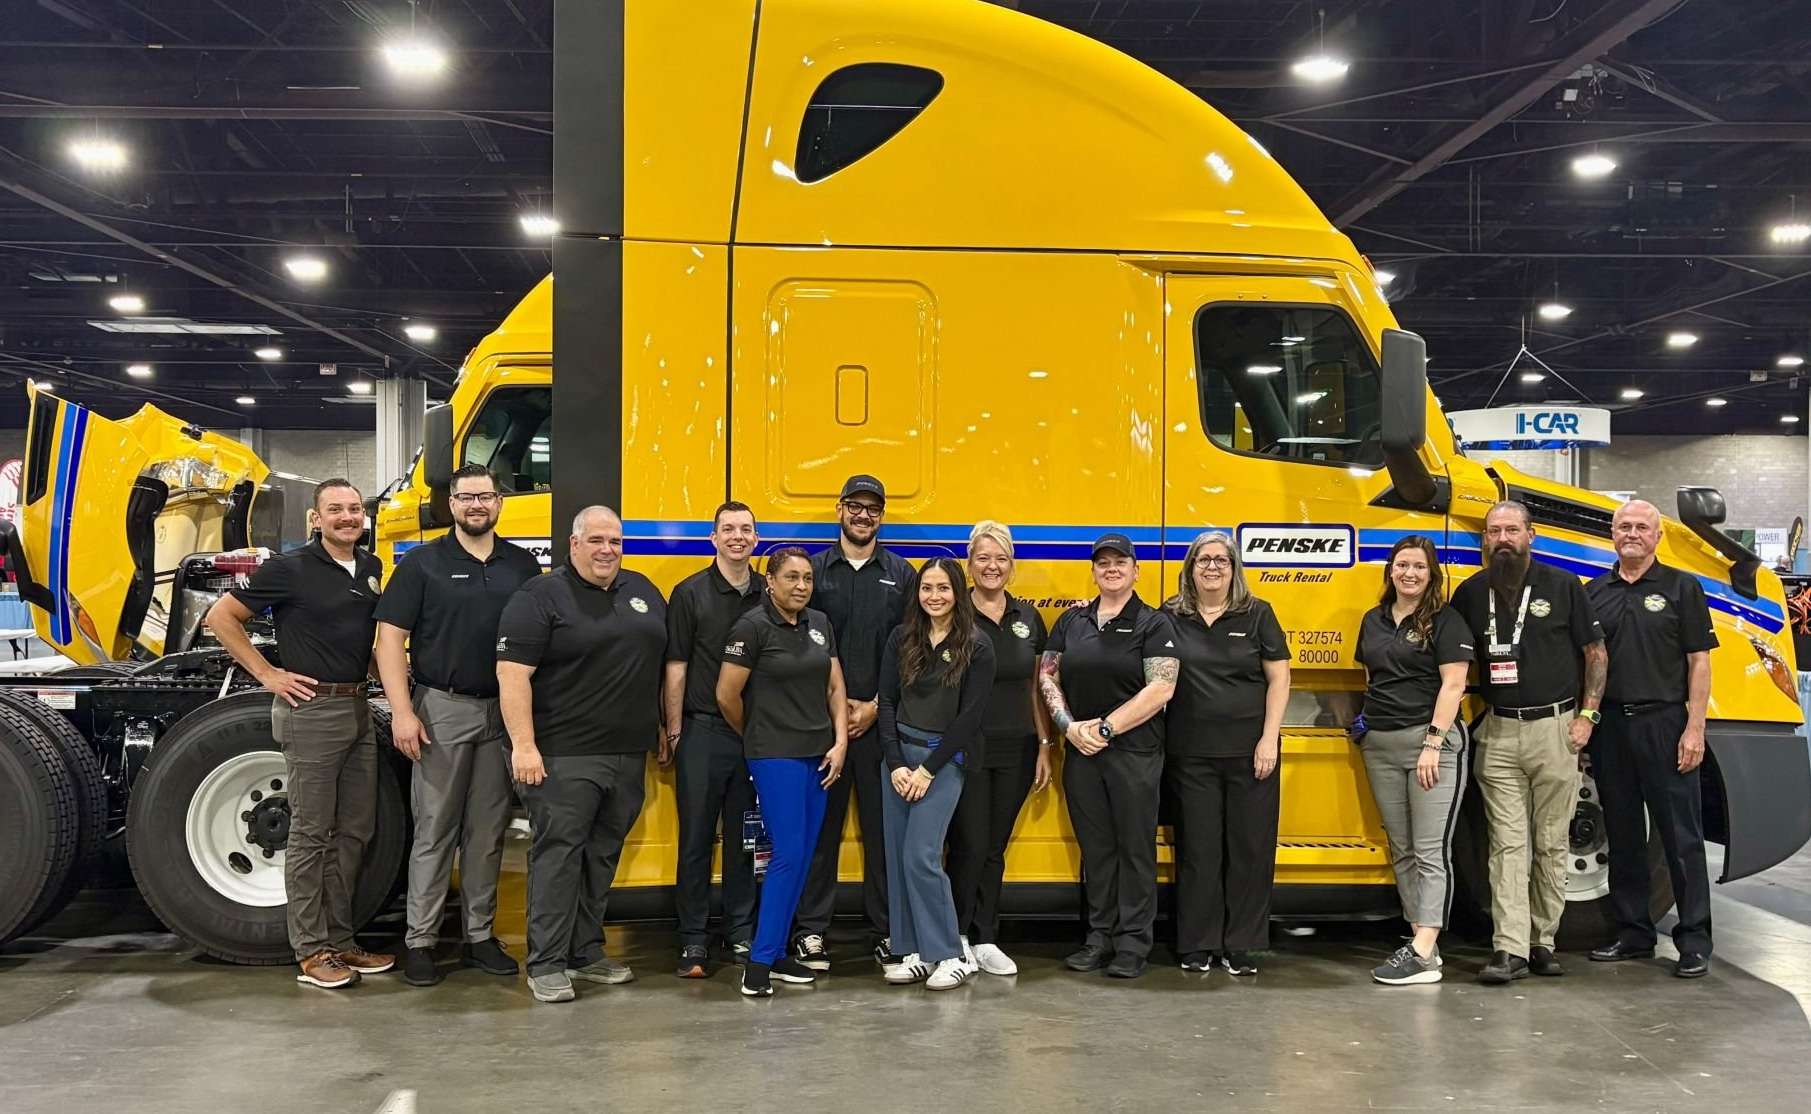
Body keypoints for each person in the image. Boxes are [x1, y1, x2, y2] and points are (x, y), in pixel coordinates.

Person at [206, 478, 393, 989]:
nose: (347, 517)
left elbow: (369, 641)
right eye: (336, 510)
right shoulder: (289, 569)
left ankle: (342, 941)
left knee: (355, 831)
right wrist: (267, 674)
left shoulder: (371, 569)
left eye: (355, 509)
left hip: (357, 707)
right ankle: (311, 952)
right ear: (317, 518)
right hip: (311, 712)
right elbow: (221, 617)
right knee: (312, 834)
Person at [375, 463, 541, 987]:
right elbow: (388, 640)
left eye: (486, 497)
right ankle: (420, 941)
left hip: (503, 711)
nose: (477, 506)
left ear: (499, 503)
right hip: (441, 709)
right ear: (451, 505)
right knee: (435, 830)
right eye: (467, 497)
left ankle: (478, 936)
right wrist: (402, 710)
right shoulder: (423, 563)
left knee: (488, 832)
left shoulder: (522, 566)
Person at [494, 505, 668, 1003]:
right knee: (559, 857)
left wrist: (660, 724)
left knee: (601, 856)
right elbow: (512, 676)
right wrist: (524, 746)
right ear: (574, 545)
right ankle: (546, 962)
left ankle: (585, 952)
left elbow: (655, 665)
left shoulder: (642, 592)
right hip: (564, 755)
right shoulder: (540, 597)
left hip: (627, 754)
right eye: (596, 540)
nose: (606, 550)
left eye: (614, 540)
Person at [1451, 501, 1607, 985]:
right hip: (1497, 732)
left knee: (1552, 842)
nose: (1502, 538)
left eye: (1511, 530)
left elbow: (1595, 653)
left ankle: (1543, 940)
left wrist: (1588, 716)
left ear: (1530, 535)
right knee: (1507, 844)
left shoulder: (1563, 586)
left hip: (1555, 729)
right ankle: (1510, 949)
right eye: (1493, 531)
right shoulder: (1470, 593)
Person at [1586, 500, 1718, 978]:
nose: (1633, 533)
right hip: (1611, 728)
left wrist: (1695, 727)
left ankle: (1695, 940)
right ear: (1612, 534)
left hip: (1665, 724)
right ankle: (1633, 933)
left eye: (1642, 527)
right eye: (1624, 526)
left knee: (1681, 836)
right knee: (1622, 834)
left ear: (1658, 536)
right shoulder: (1594, 591)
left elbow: (1699, 662)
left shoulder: (1683, 588)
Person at [1039, 532, 1179, 979]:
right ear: (1094, 571)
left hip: (1134, 753)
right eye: (1103, 563)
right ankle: (1098, 938)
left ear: (1136, 571)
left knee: (1135, 849)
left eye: (1121, 562)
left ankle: (1133, 944)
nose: (1112, 568)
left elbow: (1161, 687)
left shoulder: (1154, 623)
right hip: (1081, 752)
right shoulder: (1072, 622)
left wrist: (1104, 727)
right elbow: (1046, 676)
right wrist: (1069, 727)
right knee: (1096, 851)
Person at [717, 547, 850, 997]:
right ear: (769, 581)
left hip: (819, 754)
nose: (800, 586)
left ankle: (776, 955)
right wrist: (757, 735)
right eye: (791, 577)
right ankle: (757, 964)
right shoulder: (752, 627)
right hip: (774, 755)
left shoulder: (819, 624)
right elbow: (726, 694)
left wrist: (840, 740)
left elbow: (835, 685)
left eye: (807, 578)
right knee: (789, 853)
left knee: (803, 856)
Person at [796, 475, 914, 971]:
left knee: (883, 833)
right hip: (822, 726)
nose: (863, 516)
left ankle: (888, 932)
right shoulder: (813, 572)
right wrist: (835, 709)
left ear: (881, 517)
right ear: (839, 509)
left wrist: (873, 706)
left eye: (873, 509)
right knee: (819, 832)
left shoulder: (902, 574)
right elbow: (801, 647)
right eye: (855, 506)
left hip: (880, 724)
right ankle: (811, 932)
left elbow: (911, 651)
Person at [1162, 531, 1290, 976]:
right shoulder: (1170, 616)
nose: (1212, 567)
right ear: (1190, 568)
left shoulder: (1257, 614)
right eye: (1203, 560)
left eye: (1221, 560)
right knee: (1198, 852)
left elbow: (1279, 679)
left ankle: (1244, 946)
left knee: (1250, 851)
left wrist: (1269, 739)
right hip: (1190, 756)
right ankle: (1197, 944)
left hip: (1252, 754)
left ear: (1234, 569)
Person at [1355, 535, 1475, 986]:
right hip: (1381, 746)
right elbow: (1371, 677)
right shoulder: (1373, 620)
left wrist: (1432, 743)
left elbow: (1453, 686)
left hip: (1430, 747)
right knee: (1402, 850)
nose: (1409, 573)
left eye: (1419, 567)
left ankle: (1423, 950)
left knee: (1430, 851)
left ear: (1431, 575)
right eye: (1402, 565)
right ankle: (1421, 942)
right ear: (1390, 571)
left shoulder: (1447, 622)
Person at [877, 558, 996, 991]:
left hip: (942, 762)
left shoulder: (978, 647)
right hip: (899, 762)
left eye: (943, 588)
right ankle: (914, 952)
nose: (934, 596)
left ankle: (950, 952)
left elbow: (970, 718)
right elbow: (886, 702)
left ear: (957, 592)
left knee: (920, 855)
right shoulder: (902, 638)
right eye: (927, 588)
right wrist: (896, 765)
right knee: (897, 856)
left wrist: (926, 771)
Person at [662, 501, 764, 978]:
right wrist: (674, 727)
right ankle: (694, 941)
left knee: (747, 842)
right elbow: (676, 665)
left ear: (755, 538)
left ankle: (741, 934)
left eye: (746, 529)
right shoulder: (689, 593)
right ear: (714, 538)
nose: (737, 537)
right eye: (729, 529)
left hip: (756, 738)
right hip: (702, 731)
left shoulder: (771, 592)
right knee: (697, 840)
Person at [947, 521, 1053, 977]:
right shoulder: (952, 614)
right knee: (966, 843)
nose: (992, 566)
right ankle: (955, 937)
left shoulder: (1029, 619)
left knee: (994, 845)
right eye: (983, 558)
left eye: (1001, 559)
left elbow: (1037, 686)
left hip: (1018, 746)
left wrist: (1045, 744)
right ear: (969, 565)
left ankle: (985, 936)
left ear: (1012, 566)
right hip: (965, 747)